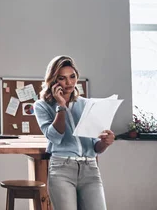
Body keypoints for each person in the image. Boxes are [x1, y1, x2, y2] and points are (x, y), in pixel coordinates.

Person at [34, 55, 114, 210]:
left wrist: (105, 142)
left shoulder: (86, 104)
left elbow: (95, 147)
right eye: (62, 78)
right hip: (62, 169)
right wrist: (61, 106)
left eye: (72, 77)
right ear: (53, 80)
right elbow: (55, 137)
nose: (69, 82)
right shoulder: (42, 106)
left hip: (90, 169)